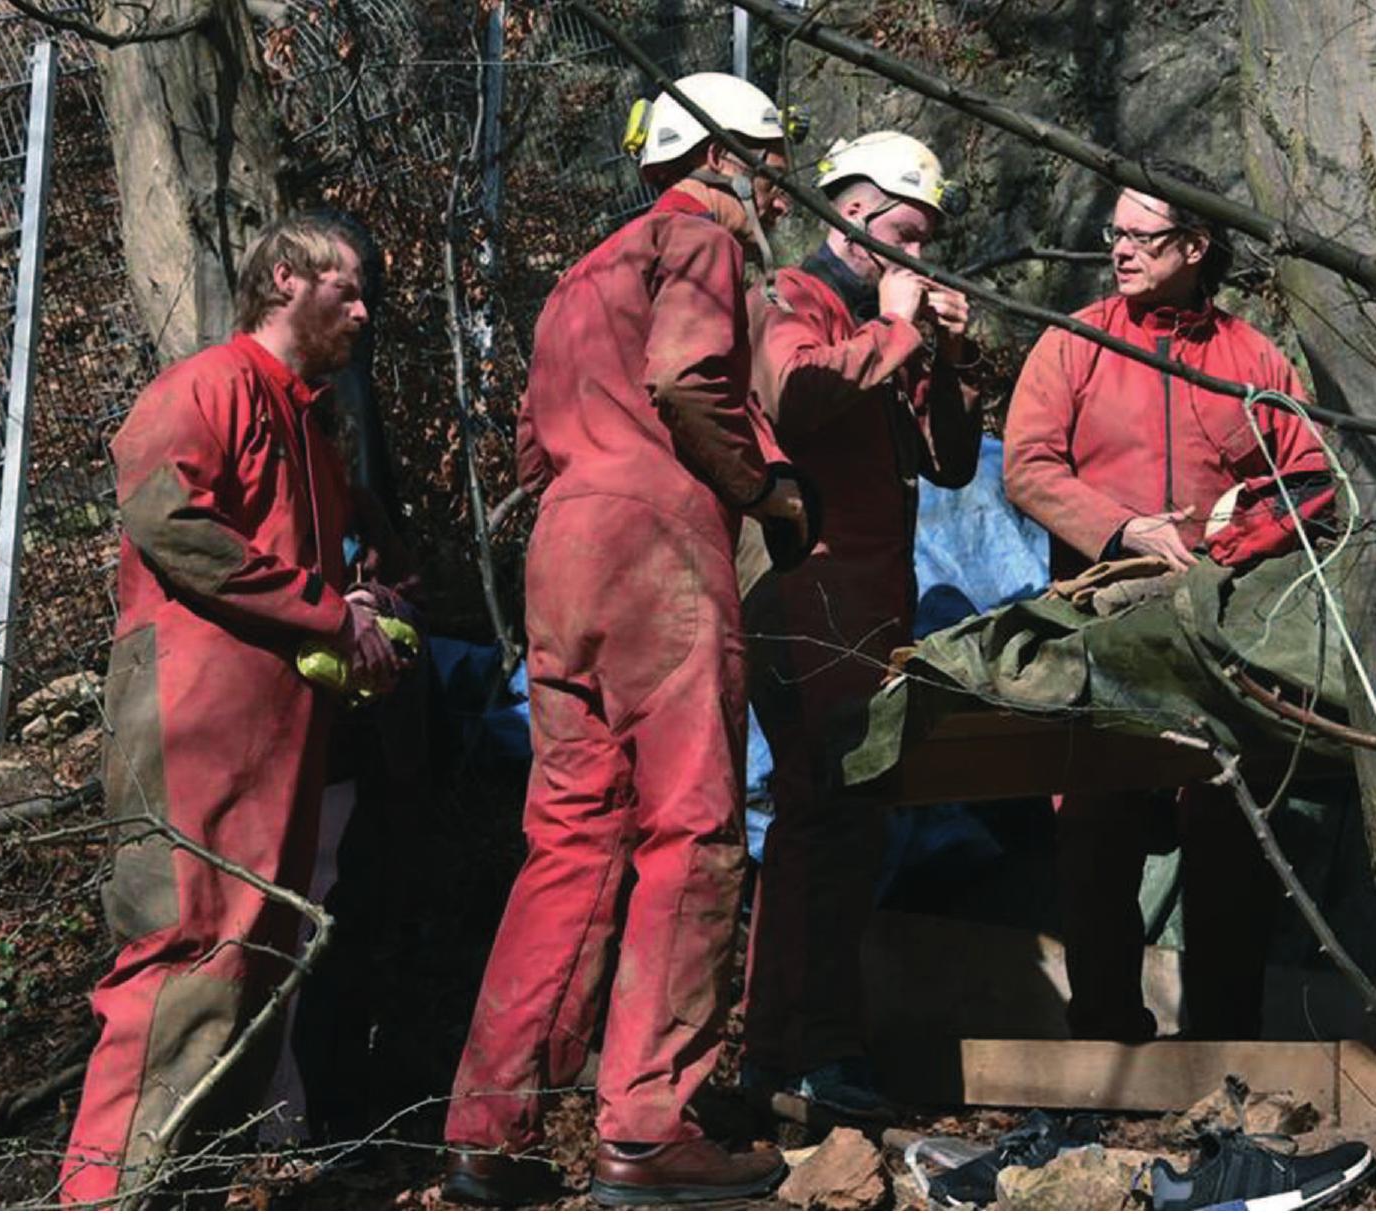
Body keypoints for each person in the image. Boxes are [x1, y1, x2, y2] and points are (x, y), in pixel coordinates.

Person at [441, 72, 812, 1209]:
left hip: (562, 547)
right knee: (693, 827)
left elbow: (526, 442)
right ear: (722, 160)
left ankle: (485, 1134)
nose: (778, 191)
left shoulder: (579, 272)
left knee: (568, 838)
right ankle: (649, 1127)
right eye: (771, 165)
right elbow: (689, 379)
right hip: (656, 538)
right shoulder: (698, 239)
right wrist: (774, 495)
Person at [59, 214, 416, 1205]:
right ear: (285, 278)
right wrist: (321, 611)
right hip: (194, 716)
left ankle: (193, 1186)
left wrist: (367, 604)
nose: (362, 309)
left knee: (254, 957)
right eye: (346, 288)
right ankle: (105, 1197)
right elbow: (166, 515)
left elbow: (338, 562)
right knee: (185, 952)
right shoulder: (205, 386)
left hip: (279, 730)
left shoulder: (311, 418)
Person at [1002, 161, 1333, 1042]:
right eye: (1114, 233)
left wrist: (1228, 546)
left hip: (1221, 632)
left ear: (1196, 247)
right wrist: (1121, 530)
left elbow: (1308, 482)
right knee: (1094, 825)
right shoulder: (1071, 341)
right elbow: (1027, 467)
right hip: (1097, 618)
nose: (1121, 252)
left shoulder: (1253, 358)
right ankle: (1105, 1033)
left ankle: (1228, 1039)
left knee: (1230, 823)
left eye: (1143, 237)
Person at [740, 131, 982, 1116]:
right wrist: (891, 327)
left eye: (924, 241)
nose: (911, 257)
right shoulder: (787, 298)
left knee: (848, 823)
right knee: (819, 815)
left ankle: (811, 1049)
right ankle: (796, 1051)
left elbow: (951, 460)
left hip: (871, 603)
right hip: (810, 592)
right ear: (843, 208)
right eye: (897, 233)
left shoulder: (889, 316)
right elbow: (790, 399)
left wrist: (954, 355)